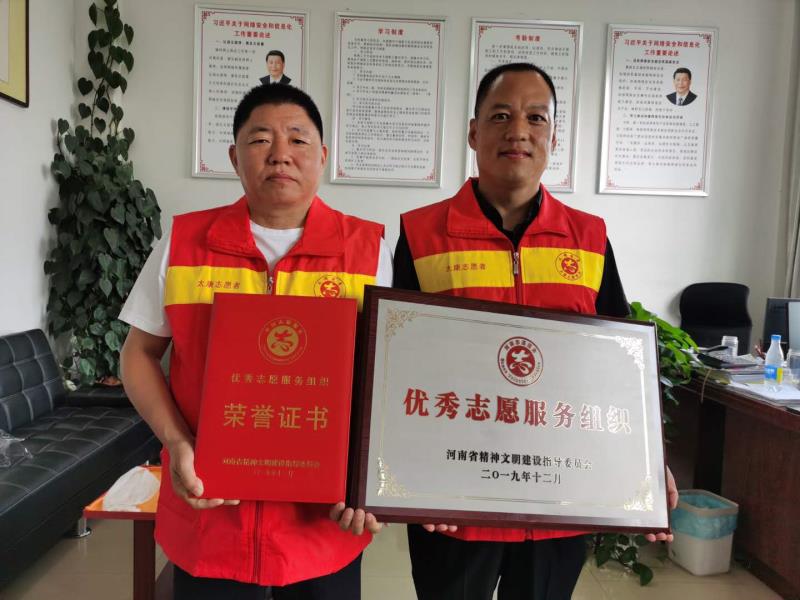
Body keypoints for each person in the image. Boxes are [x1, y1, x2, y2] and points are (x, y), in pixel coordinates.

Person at [393, 62, 679, 600]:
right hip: (455, 496)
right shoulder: (423, 233)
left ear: (553, 137)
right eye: (501, 116)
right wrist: (410, 475)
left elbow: (621, 364)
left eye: (535, 118)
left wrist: (650, 459)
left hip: (558, 496)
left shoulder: (589, 238)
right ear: (473, 132)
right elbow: (401, 361)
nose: (518, 131)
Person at [119, 83, 389, 599]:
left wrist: (372, 476)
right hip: (210, 518)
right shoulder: (184, 242)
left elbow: (389, 379)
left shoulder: (368, 250)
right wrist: (176, 442)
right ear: (234, 156)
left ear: (323, 156)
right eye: (261, 139)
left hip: (321, 525)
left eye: (298, 140)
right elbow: (138, 353)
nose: (280, 154)